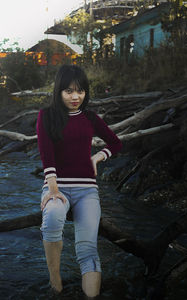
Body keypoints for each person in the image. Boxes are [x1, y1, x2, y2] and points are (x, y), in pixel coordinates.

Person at [36, 64, 122, 299]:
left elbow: (115, 143)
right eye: (69, 91)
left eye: (81, 91)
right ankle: (56, 285)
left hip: (87, 191)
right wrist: (52, 188)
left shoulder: (91, 118)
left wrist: (98, 157)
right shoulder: (47, 115)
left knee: (87, 249)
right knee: (52, 216)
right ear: (59, 91)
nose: (75, 97)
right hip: (57, 185)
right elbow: (46, 153)